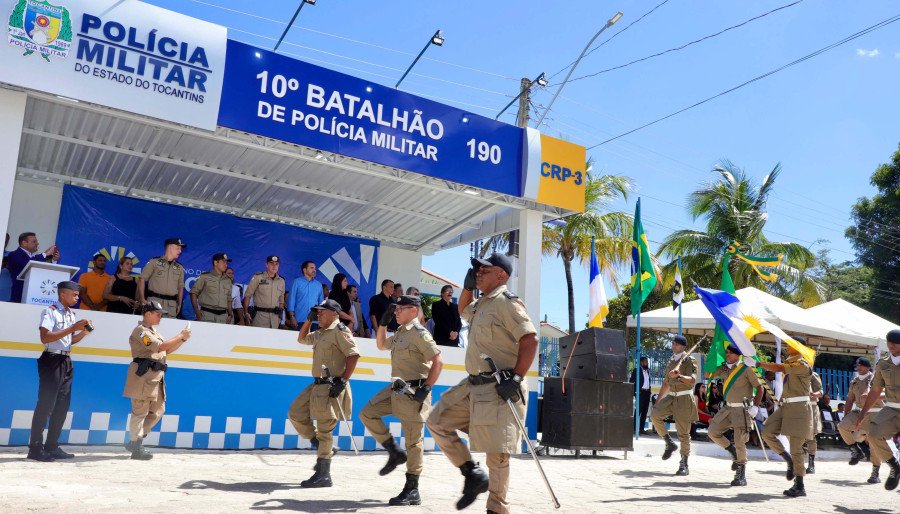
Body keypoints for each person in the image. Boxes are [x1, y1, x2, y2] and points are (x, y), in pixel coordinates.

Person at [426, 253, 537, 513]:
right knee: (437, 421)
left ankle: (497, 508)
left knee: (497, 455)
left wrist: (517, 377)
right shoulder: (483, 303)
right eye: (477, 269)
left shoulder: (507, 302)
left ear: (502, 275)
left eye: (485, 269)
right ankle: (472, 474)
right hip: (473, 384)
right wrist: (466, 287)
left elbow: (530, 340)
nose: (479, 272)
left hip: (501, 386)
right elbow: (463, 310)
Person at [360, 295, 443, 506]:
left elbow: (438, 361)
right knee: (367, 413)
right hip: (396, 388)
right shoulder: (399, 331)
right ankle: (394, 451)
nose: (396, 312)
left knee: (414, 441)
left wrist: (426, 388)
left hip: (414, 391)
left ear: (413, 311)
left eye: (399, 309)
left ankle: (412, 489)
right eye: (394, 310)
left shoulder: (419, 334)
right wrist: (384, 323)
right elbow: (380, 345)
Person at [287, 299, 359, 488]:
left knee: (325, 429)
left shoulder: (340, 331)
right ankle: (320, 446)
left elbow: (353, 355)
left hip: (332, 386)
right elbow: (301, 339)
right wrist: (309, 321)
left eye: (321, 312)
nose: (318, 314)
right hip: (317, 384)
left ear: (334, 313)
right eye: (317, 312)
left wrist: (342, 381)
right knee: (295, 413)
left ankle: (323, 475)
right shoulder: (320, 332)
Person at [28, 281, 93, 461]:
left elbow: (69, 341)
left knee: (62, 406)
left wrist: (84, 332)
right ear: (63, 294)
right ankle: (34, 448)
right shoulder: (50, 311)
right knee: (46, 404)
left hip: (66, 359)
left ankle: (51, 446)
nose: (77, 297)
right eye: (74, 294)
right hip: (51, 360)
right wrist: (73, 328)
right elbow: (45, 337)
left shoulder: (71, 314)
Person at [123, 301, 192, 460]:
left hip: (155, 378)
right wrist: (180, 335)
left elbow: (167, 350)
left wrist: (182, 340)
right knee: (140, 412)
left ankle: (135, 440)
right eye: (157, 313)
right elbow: (159, 347)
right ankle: (136, 445)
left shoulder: (153, 331)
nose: (160, 317)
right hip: (143, 378)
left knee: (158, 411)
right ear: (147, 313)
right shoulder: (140, 331)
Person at [751, 339, 814, 498]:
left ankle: (800, 485)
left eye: (790, 344)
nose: (787, 346)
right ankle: (788, 459)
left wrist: (758, 364)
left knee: (796, 448)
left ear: (798, 348)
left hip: (799, 409)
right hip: (786, 406)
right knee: (767, 432)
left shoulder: (803, 365)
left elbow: (779, 368)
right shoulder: (790, 362)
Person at [707, 345, 764, 487]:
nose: (727, 355)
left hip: (742, 409)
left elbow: (760, 387)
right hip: (727, 408)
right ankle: (731, 450)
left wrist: (756, 407)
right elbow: (708, 375)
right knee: (713, 432)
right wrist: (711, 362)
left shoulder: (746, 369)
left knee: (740, 440)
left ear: (738, 355)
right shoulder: (724, 368)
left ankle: (741, 472)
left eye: (730, 353)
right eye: (726, 353)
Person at [855, 329, 900, 491]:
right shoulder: (883, 363)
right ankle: (894, 466)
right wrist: (861, 414)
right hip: (892, 409)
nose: (891, 345)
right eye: (889, 342)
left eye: (895, 342)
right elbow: (875, 390)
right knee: (873, 433)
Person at [649, 335, 698, 476]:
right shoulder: (672, 360)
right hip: (671, 396)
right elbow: (666, 383)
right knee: (655, 415)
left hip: (684, 398)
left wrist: (679, 376)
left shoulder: (690, 360)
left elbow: (692, 381)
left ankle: (684, 463)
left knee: (683, 433)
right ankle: (669, 442)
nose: (673, 346)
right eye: (673, 343)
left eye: (676, 344)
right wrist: (658, 401)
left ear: (683, 346)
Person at [838, 357, 884, 484]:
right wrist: (846, 414)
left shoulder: (876, 379)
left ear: (868, 367)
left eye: (861, 365)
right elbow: (850, 399)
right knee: (842, 426)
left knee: (873, 443)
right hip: (858, 412)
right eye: (857, 365)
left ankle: (875, 472)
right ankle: (856, 450)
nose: (858, 368)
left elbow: (885, 393)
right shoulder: (855, 381)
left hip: (874, 413)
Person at [138, 238, 186, 318]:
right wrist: (142, 298)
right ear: (170, 248)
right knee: (151, 328)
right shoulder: (154, 262)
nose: (180, 251)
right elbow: (142, 279)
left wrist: (179, 304)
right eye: (178, 248)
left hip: (171, 306)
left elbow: (180, 287)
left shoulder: (179, 267)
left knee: (169, 329)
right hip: (154, 302)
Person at [8, 232, 57, 303]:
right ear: (24, 243)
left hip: (35, 296)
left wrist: (53, 260)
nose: (37, 243)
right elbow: (27, 264)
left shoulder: (33, 257)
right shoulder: (14, 254)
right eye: (34, 241)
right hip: (19, 296)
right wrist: (45, 254)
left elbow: (44, 270)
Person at [190, 253, 234, 324]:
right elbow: (193, 293)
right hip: (207, 315)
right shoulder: (205, 277)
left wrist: (230, 314)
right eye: (223, 262)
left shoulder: (228, 280)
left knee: (220, 335)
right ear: (215, 262)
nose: (226, 265)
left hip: (223, 317)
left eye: (226, 262)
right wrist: (196, 311)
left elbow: (229, 299)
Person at [244, 256, 286, 329]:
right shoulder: (258, 277)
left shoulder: (281, 281)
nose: (274, 266)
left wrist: (280, 316)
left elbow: (281, 301)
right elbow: (248, 295)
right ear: (266, 265)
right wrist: (246, 313)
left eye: (276, 264)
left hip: (275, 319)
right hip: (260, 317)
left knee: (272, 340)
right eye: (271, 263)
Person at [286, 260, 324, 329]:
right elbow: (291, 301)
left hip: (314, 321)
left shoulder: (318, 285)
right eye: (311, 268)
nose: (314, 270)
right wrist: (292, 317)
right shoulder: (297, 282)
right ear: (304, 270)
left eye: (315, 268)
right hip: (299, 320)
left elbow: (321, 304)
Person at [805, 370, 824, 474]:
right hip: (797, 408)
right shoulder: (793, 373)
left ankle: (811, 464)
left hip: (811, 407)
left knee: (811, 437)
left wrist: (812, 394)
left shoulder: (813, 375)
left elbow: (820, 392)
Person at [629, 356, 651, 434]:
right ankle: (634, 428)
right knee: (638, 411)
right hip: (640, 393)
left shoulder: (647, 371)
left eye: (647, 362)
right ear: (641, 362)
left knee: (645, 412)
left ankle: (642, 429)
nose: (647, 363)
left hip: (647, 393)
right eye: (646, 362)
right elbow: (632, 382)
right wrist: (635, 392)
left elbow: (648, 382)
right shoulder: (636, 370)